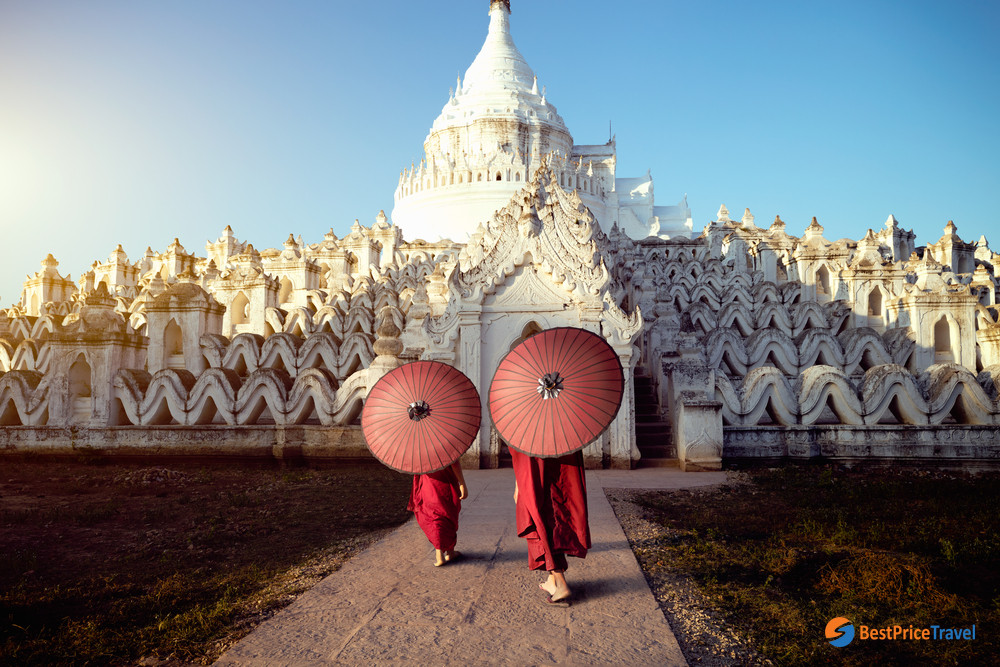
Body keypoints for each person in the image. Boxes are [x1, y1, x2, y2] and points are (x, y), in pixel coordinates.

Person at [511, 448, 591, 606]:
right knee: (555, 518)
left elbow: (524, 461)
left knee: (538, 519)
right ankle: (552, 580)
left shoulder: (525, 430)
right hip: (560, 472)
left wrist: (518, 484)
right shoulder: (563, 428)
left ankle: (560, 584)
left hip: (534, 466)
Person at [407, 460, 468, 566]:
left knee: (433, 515)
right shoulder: (444, 445)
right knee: (448, 515)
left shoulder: (419, 450)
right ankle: (444, 552)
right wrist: (462, 484)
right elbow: (455, 463)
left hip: (427, 484)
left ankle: (445, 552)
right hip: (446, 482)